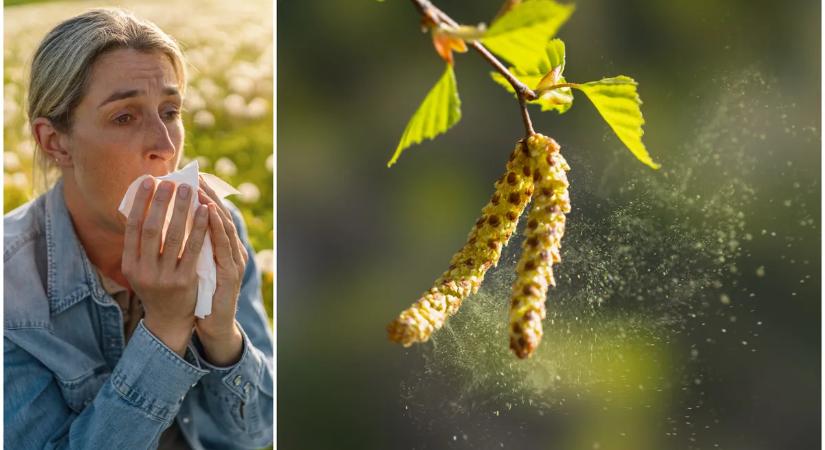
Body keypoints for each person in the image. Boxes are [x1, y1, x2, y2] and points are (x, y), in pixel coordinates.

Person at [4, 8, 273, 449]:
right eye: (124, 117)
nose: (165, 147)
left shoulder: (217, 229)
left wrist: (223, 338)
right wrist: (166, 329)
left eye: (170, 111)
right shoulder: (10, 290)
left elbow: (258, 432)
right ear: (55, 142)